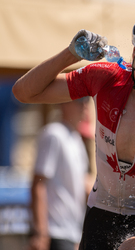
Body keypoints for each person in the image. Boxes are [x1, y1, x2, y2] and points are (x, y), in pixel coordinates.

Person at [13, 9, 135, 250]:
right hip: (101, 212)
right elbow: (24, 92)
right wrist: (70, 54)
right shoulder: (106, 78)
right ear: (134, 53)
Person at [29, 99, 91, 250]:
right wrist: (41, 233)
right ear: (63, 103)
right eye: (79, 100)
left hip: (71, 233)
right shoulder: (53, 134)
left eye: (87, 100)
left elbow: (85, 186)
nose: (84, 104)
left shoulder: (76, 139)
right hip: (54, 232)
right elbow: (38, 184)